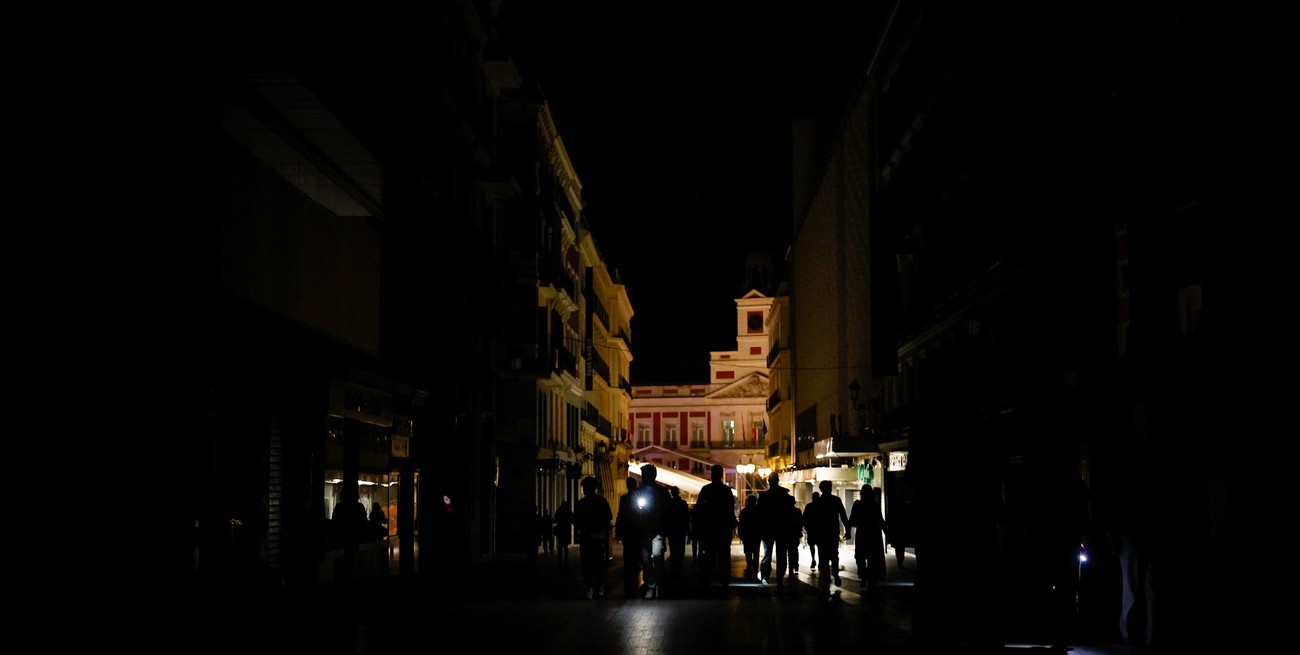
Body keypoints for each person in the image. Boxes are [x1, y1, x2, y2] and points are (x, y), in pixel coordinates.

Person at [694, 463, 738, 591]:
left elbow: (699, 508)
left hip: (709, 528)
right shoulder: (726, 490)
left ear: (713, 475)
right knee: (724, 556)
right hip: (723, 528)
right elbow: (730, 509)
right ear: (721, 475)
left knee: (708, 556)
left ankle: (706, 581)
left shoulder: (706, 489)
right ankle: (725, 581)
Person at [632, 464, 672, 598]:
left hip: (656, 531)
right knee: (646, 561)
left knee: (657, 557)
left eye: (645, 475)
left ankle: (655, 585)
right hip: (644, 531)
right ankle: (651, 585)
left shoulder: (661, 492)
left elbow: (668, 511)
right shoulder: (640, 492)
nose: (644, 478)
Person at [805, 480, 851, 595]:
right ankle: (835, 574)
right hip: (832, 533)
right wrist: (848, 530)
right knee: (834, 554)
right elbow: (844, 515)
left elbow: (813, 519)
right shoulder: (836, 500)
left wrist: (812, 532)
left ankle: (826, 579)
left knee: (823, 556)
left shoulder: (818, 503)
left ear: (821, 489)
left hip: (821, 534)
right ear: (830, 488)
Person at [573, 476, 614, 599]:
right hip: (600, 537)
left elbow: (576, 521)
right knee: (599, 564)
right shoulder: (602, 502)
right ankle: (599, 587)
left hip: (586, 537)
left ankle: (589, 588)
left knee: (587, 564)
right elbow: (609, 517)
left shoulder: (581, 503)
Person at [757, 471, 794, 587]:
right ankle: (779, 578)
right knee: (782, 554)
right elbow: (790, 513)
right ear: (778, 481)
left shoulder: (764, 496)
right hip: (782, 528)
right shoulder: (785, 495)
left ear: (768, 481)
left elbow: (759, 514)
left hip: (767, 528)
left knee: (767, 553)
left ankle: (765, 577)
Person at [850, 485, 889, 588]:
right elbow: (880, 520)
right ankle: (871, 578)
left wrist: (849, 530)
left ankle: (863, 575)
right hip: (873, 534)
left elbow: (852, 520)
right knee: (873, 558)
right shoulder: (874, 505)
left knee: (860, 557)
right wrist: (887, 533)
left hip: (862, 533)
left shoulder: (857, 504)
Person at [615, 476, 642, 597]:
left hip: (629, 529)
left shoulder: (624, 498)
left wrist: (618, 530)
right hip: (635, 529)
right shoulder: (639, 498)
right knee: (635, 551)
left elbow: (620, 515)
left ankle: (630, 571)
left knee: (629, 552)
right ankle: (634, 569)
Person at [665, 486, 691, 577]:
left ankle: (674, 564)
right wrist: (688, 529)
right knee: (680, 548)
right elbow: (686, 517)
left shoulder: (669, 503)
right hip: (680, 529)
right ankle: (678, 564)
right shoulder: (682, 503)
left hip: (672, 529)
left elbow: (667, 517)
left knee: (673, 548)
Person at [737, 494, 761, 579]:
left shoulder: (744, 511)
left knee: (748, 551)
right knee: (756, 551)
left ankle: (749, 565)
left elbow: (741, 523)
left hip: (747, 534)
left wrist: (740, 533)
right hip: (756, 534)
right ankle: (755, 567)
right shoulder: (759, 511)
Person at [553, 502, 573, 568]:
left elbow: (555, 519)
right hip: (566, 529)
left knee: (560, 545)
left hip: (560, 530)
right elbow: (572, 517)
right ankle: (566, 560)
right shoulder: (568, 510)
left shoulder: (559, 510)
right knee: (565, 546)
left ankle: (560, 560)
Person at [806, 491, 820, 570]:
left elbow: (805, 518)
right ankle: (820, 561)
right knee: (820, 547)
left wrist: (806, 527)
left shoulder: (809, 506)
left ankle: (813, 559)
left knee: (812, 546)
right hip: (819, 530)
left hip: (811, 530)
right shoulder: (822, 507)